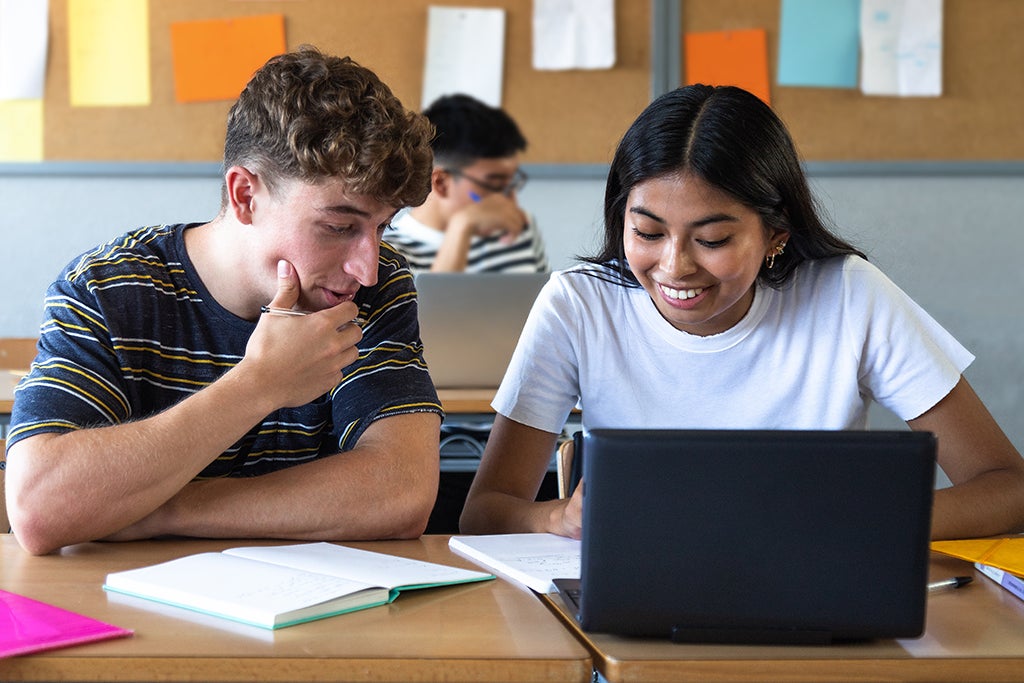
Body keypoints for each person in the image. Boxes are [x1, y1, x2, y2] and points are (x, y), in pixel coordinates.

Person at [459, 84, 1024, 541]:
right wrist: (556, 518)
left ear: (776, 232)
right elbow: (485, 512)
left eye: (713, 239)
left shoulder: (850, 297)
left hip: (814, 601)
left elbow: (1007, 486)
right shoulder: (579, 304)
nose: (674, 266)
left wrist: (868, 522)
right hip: (642, 614)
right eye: (647, 232)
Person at [5, 47, 443, 555]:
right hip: (134, 619)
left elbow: (402, 491)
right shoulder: (106, 289)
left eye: (381, 227)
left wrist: (162, 508)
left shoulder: (377, 286)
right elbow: (40, 509)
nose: (365, 267)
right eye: (339, 227)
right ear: (244, 196)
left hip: (311, 619)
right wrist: (260, 384)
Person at [386, 94, 549, 273]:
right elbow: (434, 302)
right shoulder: (388, 254)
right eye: (495, 184)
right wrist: (461, 228)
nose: (510, 199)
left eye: (512, 182)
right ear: (441, 183)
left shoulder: (520, 230)